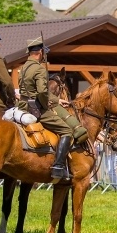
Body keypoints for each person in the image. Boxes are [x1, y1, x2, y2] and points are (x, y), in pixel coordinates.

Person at [17, 37, 88, 180]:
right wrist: (46, 105)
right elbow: (42, 93)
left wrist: (56, 100)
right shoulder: (39, 69)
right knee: (67, 130)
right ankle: (58, 166)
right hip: (36, 108)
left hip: (23, 106)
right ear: (41, 52)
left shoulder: (23, 68)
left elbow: (29, 91)